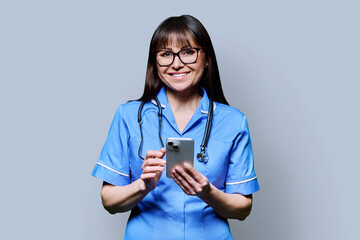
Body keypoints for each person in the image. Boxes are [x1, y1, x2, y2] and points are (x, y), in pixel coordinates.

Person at [91, 15, 260, 240]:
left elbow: (243, 209)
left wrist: (208, 193)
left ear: (206, 58)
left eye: (188, 52)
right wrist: (143, 185)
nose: (177, 63)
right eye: (166, 54)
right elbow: (109, 201)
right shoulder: (129, 116)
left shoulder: (233, 122)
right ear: (155, 63)